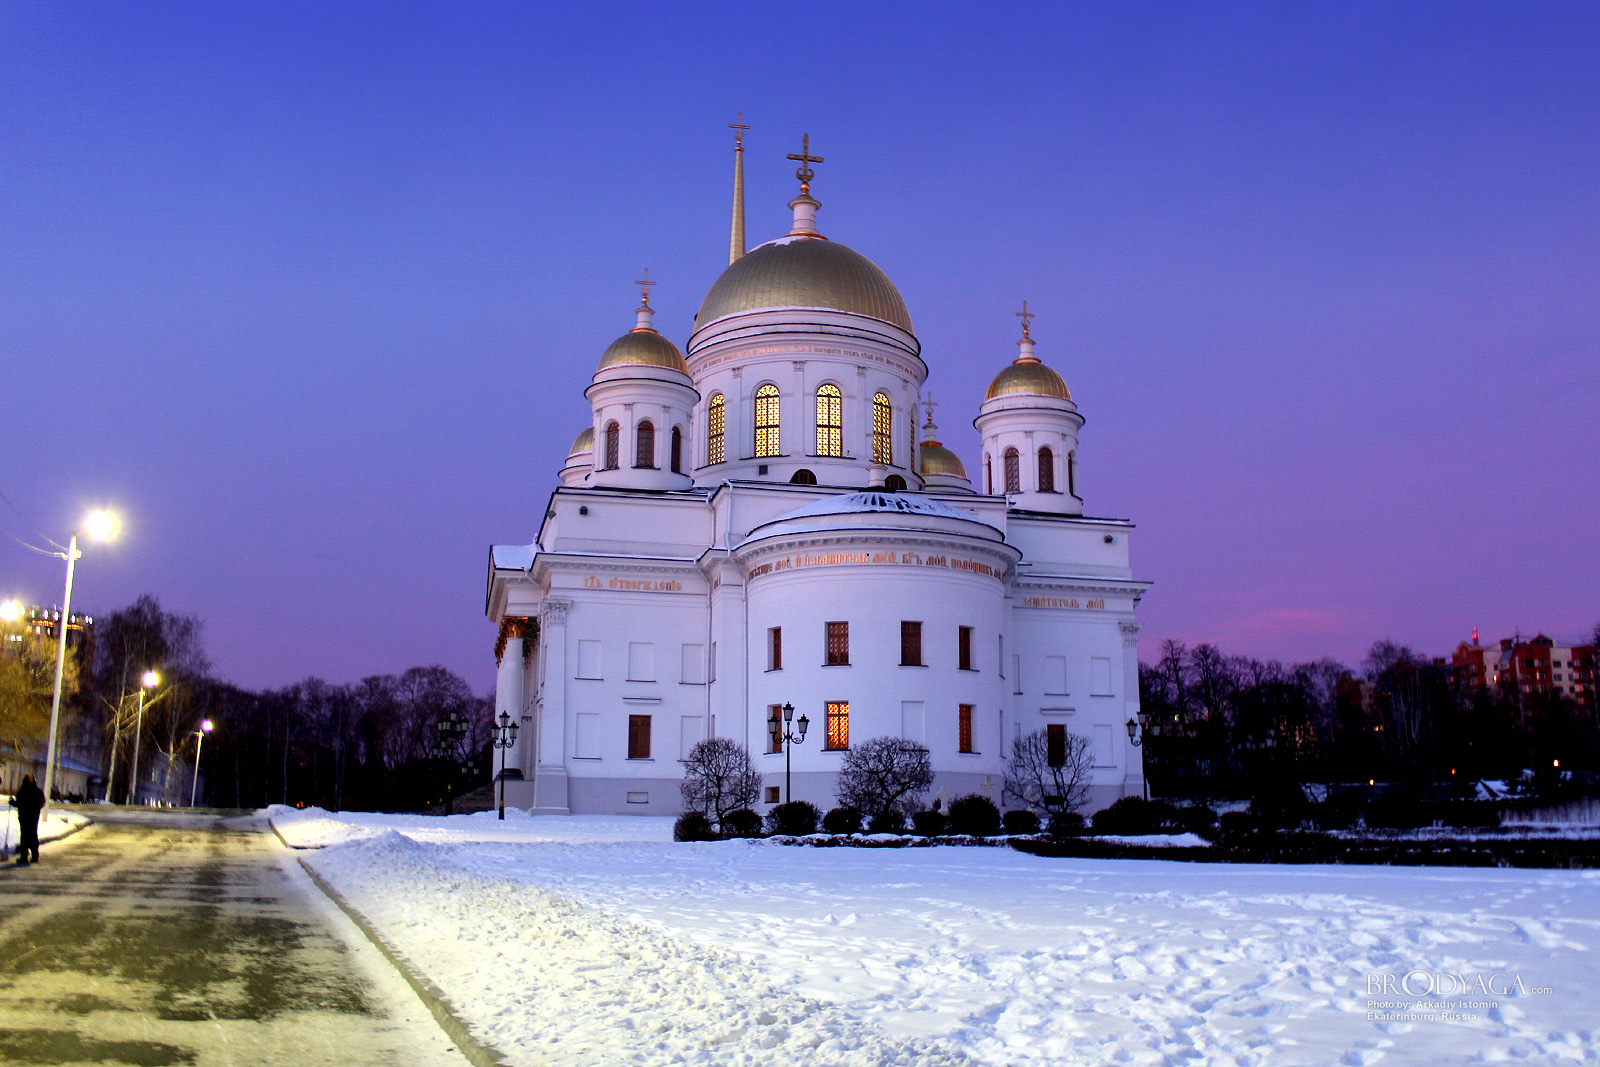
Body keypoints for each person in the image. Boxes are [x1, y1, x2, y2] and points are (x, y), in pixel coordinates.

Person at [10, 774, 44, 865]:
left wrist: (12, 802)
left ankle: (24, 857)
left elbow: (20, 804)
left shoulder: (22, 791)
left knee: (24, 836)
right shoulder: (38, 792)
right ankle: (35, 856)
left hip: (24, 817)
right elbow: (42, 803)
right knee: (33, 835)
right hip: (34, 817)